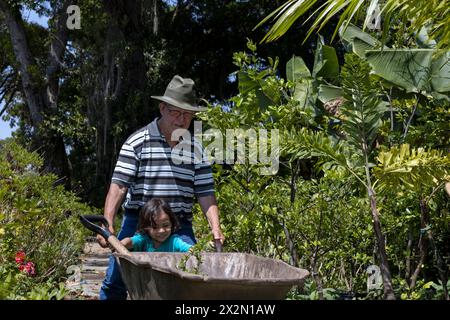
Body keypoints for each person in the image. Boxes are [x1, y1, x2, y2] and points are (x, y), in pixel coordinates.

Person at [97, 75, 225, 300]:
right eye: (176, 111)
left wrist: (216, 227)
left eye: (187, 113)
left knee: (190, 280)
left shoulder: (196, 149)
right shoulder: (137, 142)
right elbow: (118, 186)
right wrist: (108, 224)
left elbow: (205, 193)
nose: (181, 119)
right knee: (117, 281)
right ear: (162, 108)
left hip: (179, 225)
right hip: (139, 223)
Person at [120, 198, 192, 252]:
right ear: (146, 227)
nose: (161, 231)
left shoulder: (174, 242)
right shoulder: (143, 240)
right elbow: (130, 241)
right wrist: (122, 244)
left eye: (166, 225)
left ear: (172, 223)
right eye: (155, 227)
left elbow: (189, 249)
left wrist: (196, 251)